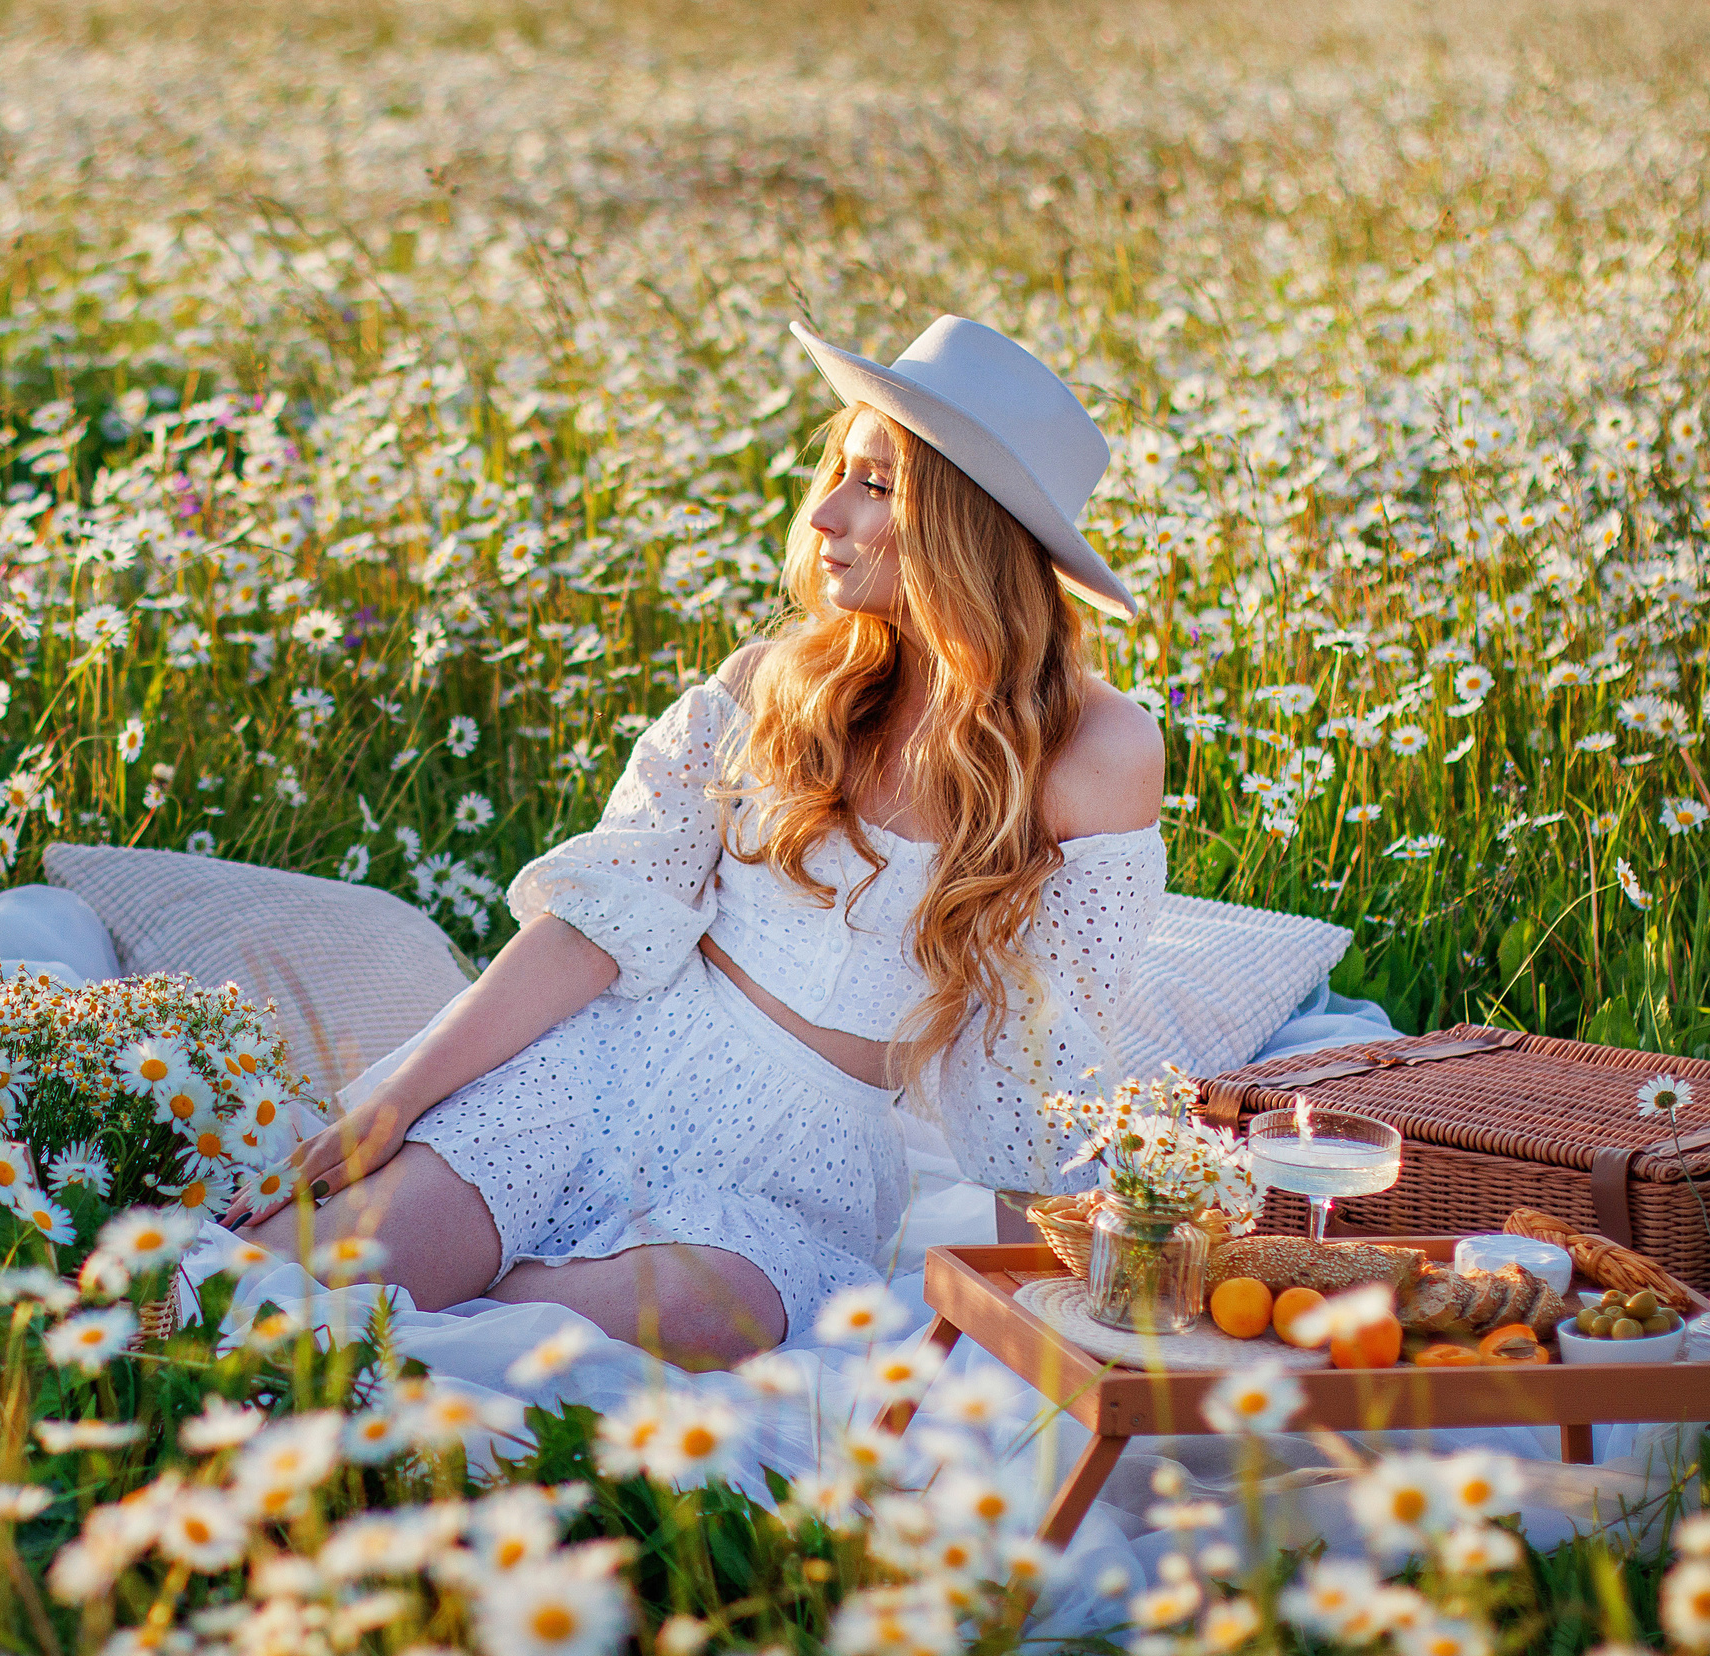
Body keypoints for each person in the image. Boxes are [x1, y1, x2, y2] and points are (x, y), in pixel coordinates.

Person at [233, 316, 1166, 1368]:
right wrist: (399, 1103)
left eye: (874, 486)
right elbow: (596, 924)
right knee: (279, 1292)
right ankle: (438, 1269)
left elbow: (1039, 1064)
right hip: (606, 1064)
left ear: (965, 531)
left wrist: (1035, 1351)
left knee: (671, 1320)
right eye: (840, 474)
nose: (823, 514)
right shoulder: (775, 684)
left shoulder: (1094, 753)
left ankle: (464, 1313)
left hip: (796, 1164)